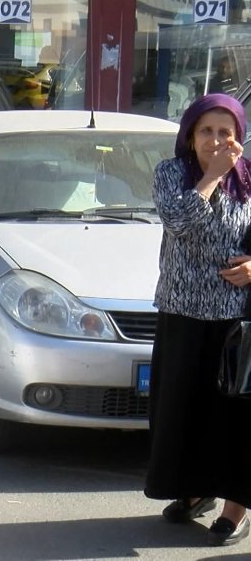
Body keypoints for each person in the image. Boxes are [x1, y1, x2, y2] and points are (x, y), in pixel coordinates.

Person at [148, 93, 251, 547]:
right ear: (189, 135)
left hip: (235, 320)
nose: (216, 140)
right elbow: (178, 222)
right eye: (206, 131)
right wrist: (211, 177)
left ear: (239, 139)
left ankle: (236, 507)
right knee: (182, 412)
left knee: (232, 417)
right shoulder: (171, 174)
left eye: (225, 133)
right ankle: (193, 492)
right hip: (181, 312)